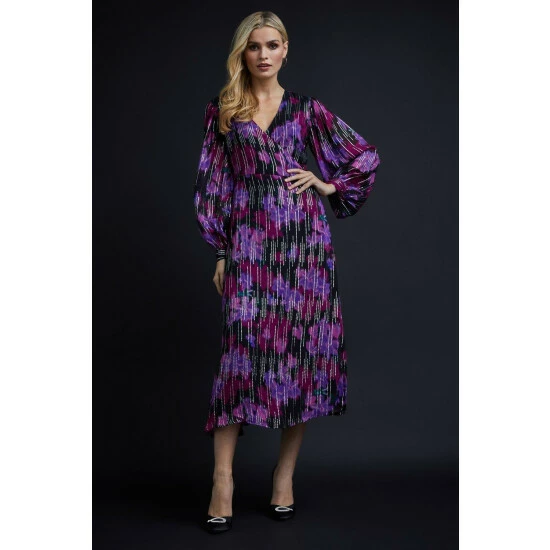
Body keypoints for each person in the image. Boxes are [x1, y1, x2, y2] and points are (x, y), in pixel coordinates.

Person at [193, 11, 381, 533]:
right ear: (243, 52)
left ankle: (284, 476)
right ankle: (223, 480)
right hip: (250, 246)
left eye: (272, 45)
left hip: (304, 249)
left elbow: (364, 157)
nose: (264, 55)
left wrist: (326, 184)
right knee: (239, 357)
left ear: (286, 49)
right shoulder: (224, 112)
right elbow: (214, 185)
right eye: (254, 46)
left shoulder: (305, 109)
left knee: (300, 355)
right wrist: (222, 252)